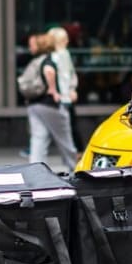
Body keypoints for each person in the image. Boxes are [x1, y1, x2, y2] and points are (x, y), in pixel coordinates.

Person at [27, 33, 77, 174]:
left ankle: (35, 172)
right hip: (50, 105)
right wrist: (53, 89)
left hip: (34, 104)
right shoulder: (52, 58)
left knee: (38, 139)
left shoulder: (36, 60)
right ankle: (75, 169)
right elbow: (49, 71)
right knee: (65, 141)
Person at [48, 26, 81, 155]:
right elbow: (66, 76)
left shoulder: (62, 54)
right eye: (64, 39)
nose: (67, 41)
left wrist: (71, 90)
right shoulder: (58, 55)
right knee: (68, 127)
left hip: (64, 96)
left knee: (69, 126)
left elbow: (69, 75)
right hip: (62, 97)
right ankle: (76, 153)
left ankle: (76, 153)